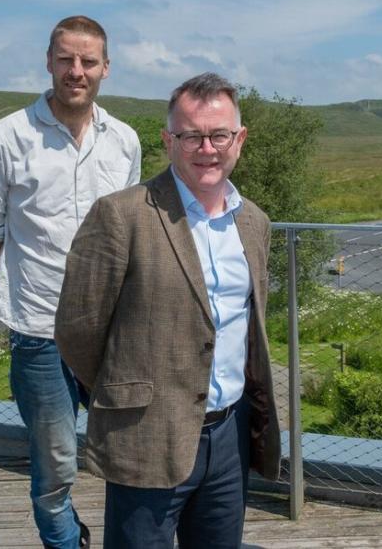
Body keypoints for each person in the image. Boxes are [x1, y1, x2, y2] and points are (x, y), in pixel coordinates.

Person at [54, 72, 281, 548]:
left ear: (239, 139)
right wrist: (127, 392)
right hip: (147, 432)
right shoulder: (121, 215)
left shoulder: (255, 222)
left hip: (230, 435)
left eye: (219, 134)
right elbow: (78, 329)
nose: (207, 148)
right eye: (191, 135)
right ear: (168, 140)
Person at [0, 15, 140, 548]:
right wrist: (29, 283)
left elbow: (129, 232)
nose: (76, 71)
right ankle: (66, 541)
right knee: (57, 461)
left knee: (128, 451)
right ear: (48, 61)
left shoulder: (125, 141)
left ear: (105, 68)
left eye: (88, 61)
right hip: (37, 330)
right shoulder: (2, 139)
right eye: (66, 58)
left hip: (111, 331)